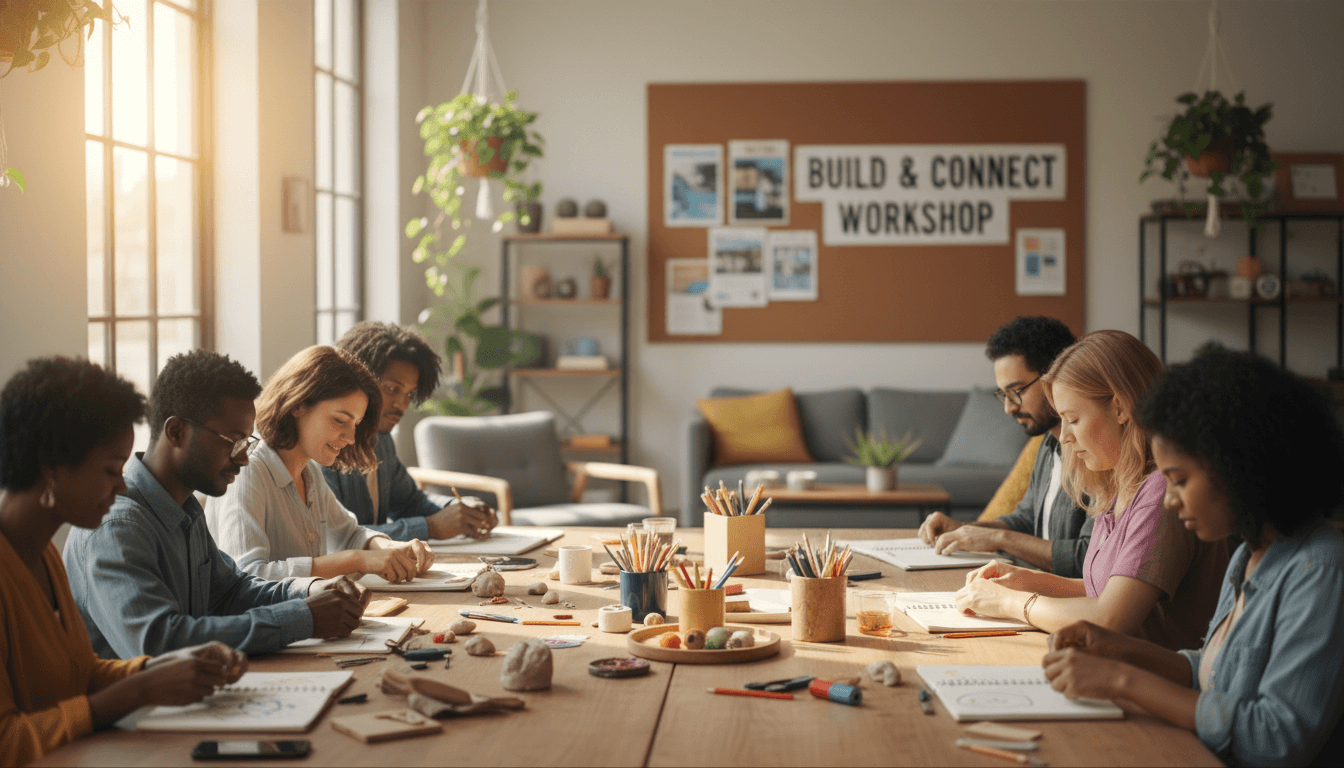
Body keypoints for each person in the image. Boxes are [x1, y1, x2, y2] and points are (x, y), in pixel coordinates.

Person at [1042, 350, 1344, 766]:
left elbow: (1277, 739)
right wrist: (1118, 648)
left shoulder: (1321, 570)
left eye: (1180, 480)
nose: (1169, 499)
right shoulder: (1249, 556)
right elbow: (1213, 673)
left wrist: (1121, 679)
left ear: (1240, 467)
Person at [0, 357, 247, 766]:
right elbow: (8, 742)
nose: (120, 487)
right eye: (111, 471)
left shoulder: (41, 551)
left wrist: (161, 668)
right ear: (51, 471)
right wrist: (140, 691)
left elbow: (77, 676)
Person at [65, 351, 370, 660]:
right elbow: (160, 642)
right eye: (233, 441)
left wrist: (310, 592)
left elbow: (232, 591)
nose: (243, 458)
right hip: (134, 707)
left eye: (247, 443)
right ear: (176, 432)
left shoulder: (185, 509)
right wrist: (303, 618)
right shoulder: (118, 526)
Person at [954, 330, 1228, 651]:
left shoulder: (1160, 492)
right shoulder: (1116, 482)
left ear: (1121, 408)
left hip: (1147, 682)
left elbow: (1111, 618)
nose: (1065, 437)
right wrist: (1025, 580)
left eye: (1073, 419)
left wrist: (1011, 603)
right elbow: (1103, 589)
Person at [205, 346, 434, 583]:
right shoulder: (248, 470)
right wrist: (357, 560)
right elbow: (249, 575)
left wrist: (391, 547)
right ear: (298, 404)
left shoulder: (308, 470)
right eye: (339, 420)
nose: (351, 437)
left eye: (355, 423)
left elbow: (349, 534)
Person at [918, 316, 1093, 576]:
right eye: (1003, 394)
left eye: (1017, 391)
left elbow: (1088, 558)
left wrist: (1000, 539)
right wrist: (966, 530)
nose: (1009, 407)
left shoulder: (1096, 453)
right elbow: (1026, 520)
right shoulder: (1047, 443)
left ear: (1055, 375)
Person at [324, 321, 497, 541]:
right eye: (393, 389)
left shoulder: (381, 441)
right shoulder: (326, 448)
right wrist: (430, 528)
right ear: (359, 380)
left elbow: (409, 502)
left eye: (409, 394)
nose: (402, 405)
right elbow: (337, 539)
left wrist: (460, 509)